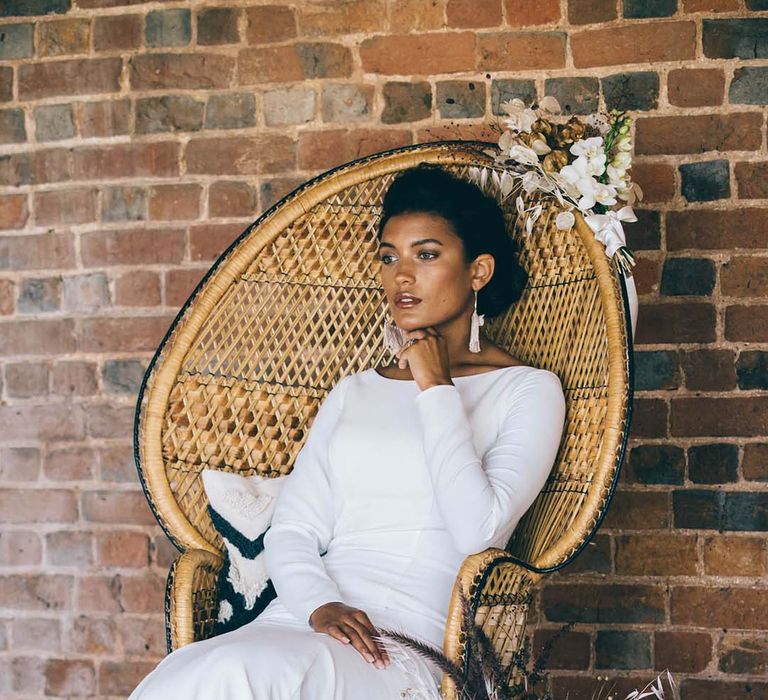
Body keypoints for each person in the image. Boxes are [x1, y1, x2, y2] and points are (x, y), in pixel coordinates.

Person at [129, 164, 569, 699]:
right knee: (196, 671)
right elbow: (293, 529)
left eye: (426, 255)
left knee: (234, 676)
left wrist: (434, 384)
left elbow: (478, 531)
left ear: (478, 271)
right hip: (303, 617)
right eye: (389, 257)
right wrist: (318, 603)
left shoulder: (528, 390)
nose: (401, 275)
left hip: (405, 638)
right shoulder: (355, 391)